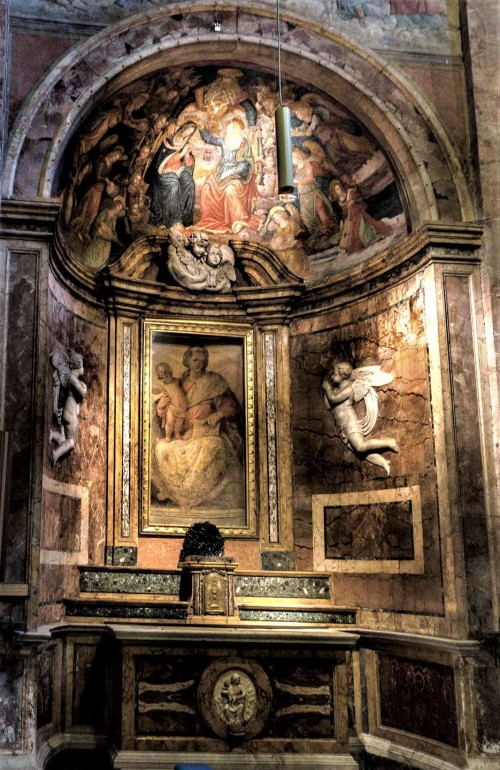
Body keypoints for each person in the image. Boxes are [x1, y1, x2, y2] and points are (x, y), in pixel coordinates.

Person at [154, 346, 244, 513]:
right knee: (162, 449)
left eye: (202, 361)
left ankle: (196, 498)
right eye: (195, 360)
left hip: (206, 430)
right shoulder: (177, 382)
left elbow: (231, 404)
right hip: (182, 431)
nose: (199, 364)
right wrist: (160, 409)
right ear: (187, 361)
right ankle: (180, 495)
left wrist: (218, 413)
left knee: (211, 447)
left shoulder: (214, 381)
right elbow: (165, 406)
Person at [322, 361, 398, 476]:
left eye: (335, 373)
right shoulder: (336, 390)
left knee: (361, 446)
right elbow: (328, 405)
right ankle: (384, 462)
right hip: (341, 427)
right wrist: (326, 390)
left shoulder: (349, 389)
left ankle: (388, 443)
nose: (332, 376)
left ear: (342, 375)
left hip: (349, 423)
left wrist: (328, 389)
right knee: (360, 453)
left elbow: (333, 399)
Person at [196, 118, 260, 234]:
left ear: (237, 129)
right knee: (207, 186)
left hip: (237, 176)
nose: (228, 131)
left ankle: (238, 221)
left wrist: (233, 171)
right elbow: (209, 139)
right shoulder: (224, 141)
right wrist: (201, 127)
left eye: (231, 129)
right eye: (228, 129)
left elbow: (247, 163)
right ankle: (210, 219)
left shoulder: (244, 144)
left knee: (230, 190)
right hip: (221, 174)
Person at [148, 120, 198, 229]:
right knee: (173, 183)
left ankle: (186, 220)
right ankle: (173, 220)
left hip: (179, 169)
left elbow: (188, 163)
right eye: (187, 130)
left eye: (190, 132)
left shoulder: (185, 142)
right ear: (183, 128)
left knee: (189, 182)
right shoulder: (170, 140)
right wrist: (182, 153)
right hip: (164, 170)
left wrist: (188, 156)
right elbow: (165, 161)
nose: (187, 134)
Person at [329, 179, 392, 254]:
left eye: (339, 188)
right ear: (334, 192)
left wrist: (352, 201)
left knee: (363, 231)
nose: (338, 191)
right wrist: (342, 221)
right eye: (336, 190)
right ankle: (369, 241)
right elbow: (344, 212)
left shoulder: (349, 192)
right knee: (354, 237)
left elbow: (357, 199)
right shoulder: (339, 201)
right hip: (351, 218)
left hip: (359, 214)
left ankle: (374, 239)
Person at [49, 351, 88, 465]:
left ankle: (53, 435)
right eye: (82, 365)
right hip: (70, 414)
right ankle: (55, 454)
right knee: (71, 443)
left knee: (67, 440)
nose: (83, 368)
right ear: (78, 365)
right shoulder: (72, 378)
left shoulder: (74, 379)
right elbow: (82, 393)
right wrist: (84, 388)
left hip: (69, 412)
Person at [152, 362, 187, 442]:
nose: (165, 379)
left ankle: (177, 434)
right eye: (161, 378)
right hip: (171, 407)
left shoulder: (176, 381)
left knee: (179, 421)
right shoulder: (162, 385)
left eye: (167, 376)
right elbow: (156, 390)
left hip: (181, 406)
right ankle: (168, 437)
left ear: (171, 374)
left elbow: (184, 382)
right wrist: (152, 389)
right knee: (170, 422)